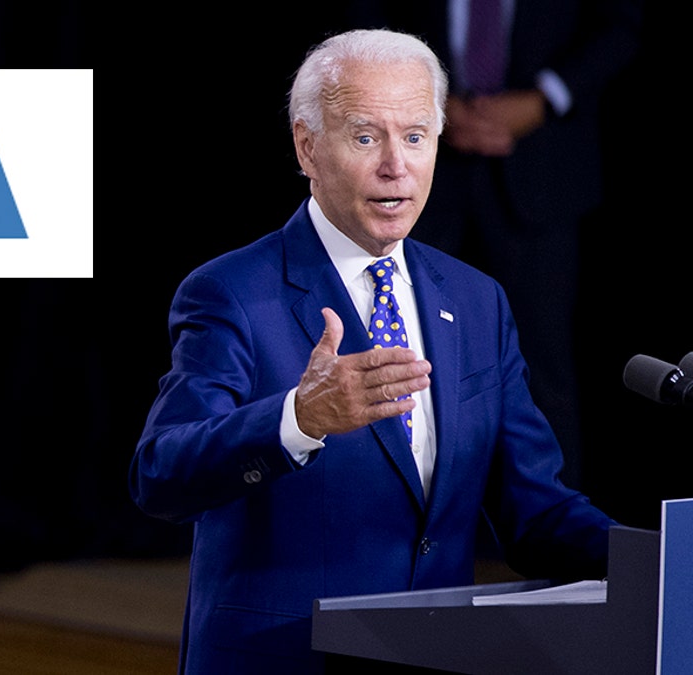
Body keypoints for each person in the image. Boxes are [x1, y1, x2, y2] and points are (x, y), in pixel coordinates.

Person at [129, 28, 617, 674]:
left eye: (415, 136)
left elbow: (534, 507)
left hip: (432, 657)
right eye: (366, 137)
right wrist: (298, 419)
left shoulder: (477, 302)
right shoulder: (232, 294)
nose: (396, 165)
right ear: (307, 146)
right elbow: (160, 473)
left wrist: (656, 562)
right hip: (284, 659)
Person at [341, 0, 643, 488]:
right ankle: (406, 517)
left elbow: (622, 24)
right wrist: (430, 102)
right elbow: (367, 19)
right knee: (406, 350)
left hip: (542, 169)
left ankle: (555, 529)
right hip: (425, 162)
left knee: (541, 364)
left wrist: (546, 97)